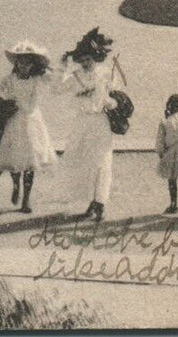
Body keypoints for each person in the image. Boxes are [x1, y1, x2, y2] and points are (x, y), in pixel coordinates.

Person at [56, 28, 120, 222]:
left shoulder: (106, 74)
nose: (85, 63)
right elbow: (57, 89)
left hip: (100, 122)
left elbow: (117, 97)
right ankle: (91, 201)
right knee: (84, 163)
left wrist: (109, 102)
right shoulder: (75, 77)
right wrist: (63, 68)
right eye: (82, 60)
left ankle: (100, 202)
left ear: (96, 57)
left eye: (88, 59)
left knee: (103, 162)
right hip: (82, 123)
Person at [0, 41, 58, 213]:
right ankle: (16, 186)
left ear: (32, 65)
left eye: (27, 62)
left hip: (32, 120)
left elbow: (53, 78)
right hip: (14, 119)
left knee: (30, 160)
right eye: (20, 62)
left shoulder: (37, 79)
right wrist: (5, 101)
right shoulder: (9, 79)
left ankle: (27, 199)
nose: (23, 66)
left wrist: (44, 66)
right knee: (15, 158)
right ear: (16, 64)